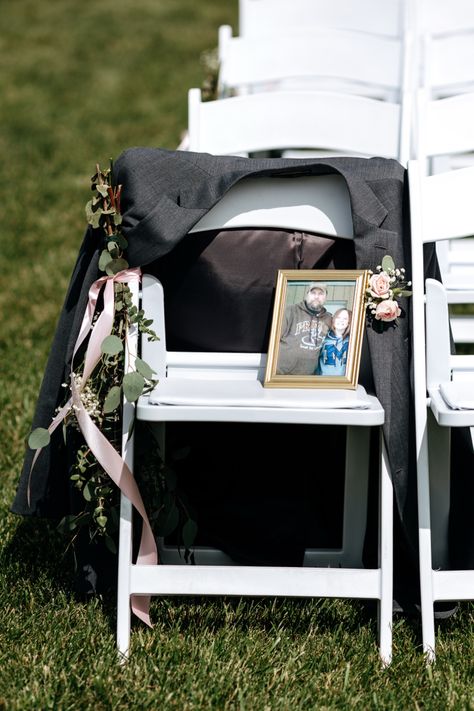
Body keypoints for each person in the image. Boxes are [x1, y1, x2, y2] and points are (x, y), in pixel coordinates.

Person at [276, 284, 333, 375]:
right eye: (313, 293)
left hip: (308, 377)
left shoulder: (329, 319)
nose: (316, 296)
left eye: (321, 294)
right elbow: (274, 340)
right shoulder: (290, 311)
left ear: (326, 298)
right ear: (307, 295)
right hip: (281, 373)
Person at [315, 308, 352, 376]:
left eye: (345, 318)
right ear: (334, 320)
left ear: (349, 322)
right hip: (324, 381)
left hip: (345, 382)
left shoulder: (352, 340)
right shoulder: (323, 338)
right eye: (338, 317)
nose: (341, 320)